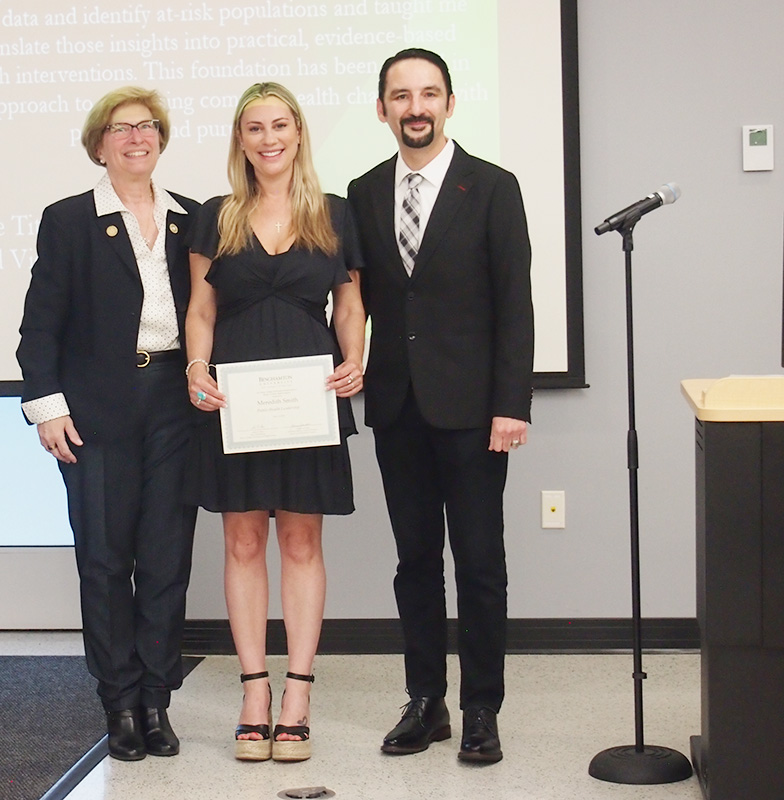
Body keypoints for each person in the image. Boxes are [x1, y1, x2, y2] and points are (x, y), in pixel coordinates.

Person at [347, 49, 534, 764]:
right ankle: (425, 702)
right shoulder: (363, 192)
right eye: (401, 95)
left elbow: (514, 305)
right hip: (397, 407)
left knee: (481, 564)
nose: (414, 107)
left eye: (428, 94)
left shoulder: (492, 186)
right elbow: (356, 297)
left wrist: (510, 404)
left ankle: (481, 707)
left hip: (475, 410)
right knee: (415, 562)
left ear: (450, 104)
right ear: (383, 108)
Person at [184, 82, 365, 763]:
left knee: (300, 545)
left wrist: (356, 358)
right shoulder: (217, 216)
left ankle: (298, 695)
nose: (268, 139)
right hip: (235, 401)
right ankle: (254, 692)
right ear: (240, 139)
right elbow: (200, 312)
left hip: (311, 396)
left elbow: (350, 305)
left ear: (298, 133)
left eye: (279, 125)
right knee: (239, 544)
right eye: (254, 128)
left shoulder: (334, 214)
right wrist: (196, 368)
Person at [16, 87, 199, 762]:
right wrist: (48, 407)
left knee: (165, 559)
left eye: (147, 127)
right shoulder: (69, 221)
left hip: (174, 406)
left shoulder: (193, 218)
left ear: (161, 138)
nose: (136, 138)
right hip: (95, 412)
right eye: (120, 129)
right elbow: (40, 327)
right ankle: (118, 701)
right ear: (100, 144)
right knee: (103, 558)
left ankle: (156, 699)